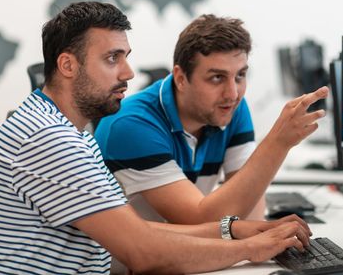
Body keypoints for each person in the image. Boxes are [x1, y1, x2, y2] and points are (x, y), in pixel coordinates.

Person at [0, 2, 311, 275]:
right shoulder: (49, 140)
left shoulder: (66, 131)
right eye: (112, 58)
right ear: (68, 65)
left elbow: (139, 231)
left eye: (125, 57)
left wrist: (233, 230)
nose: (129, 73)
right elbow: (144, 252)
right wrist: (250, 249)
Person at [95, 14, 329, 224]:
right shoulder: (129, 124)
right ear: (181, 78)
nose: (233, 93)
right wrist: (278, 143)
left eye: (240, 75)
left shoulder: (231, 108)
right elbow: (199, 218)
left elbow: (250, 215)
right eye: (217, 78)